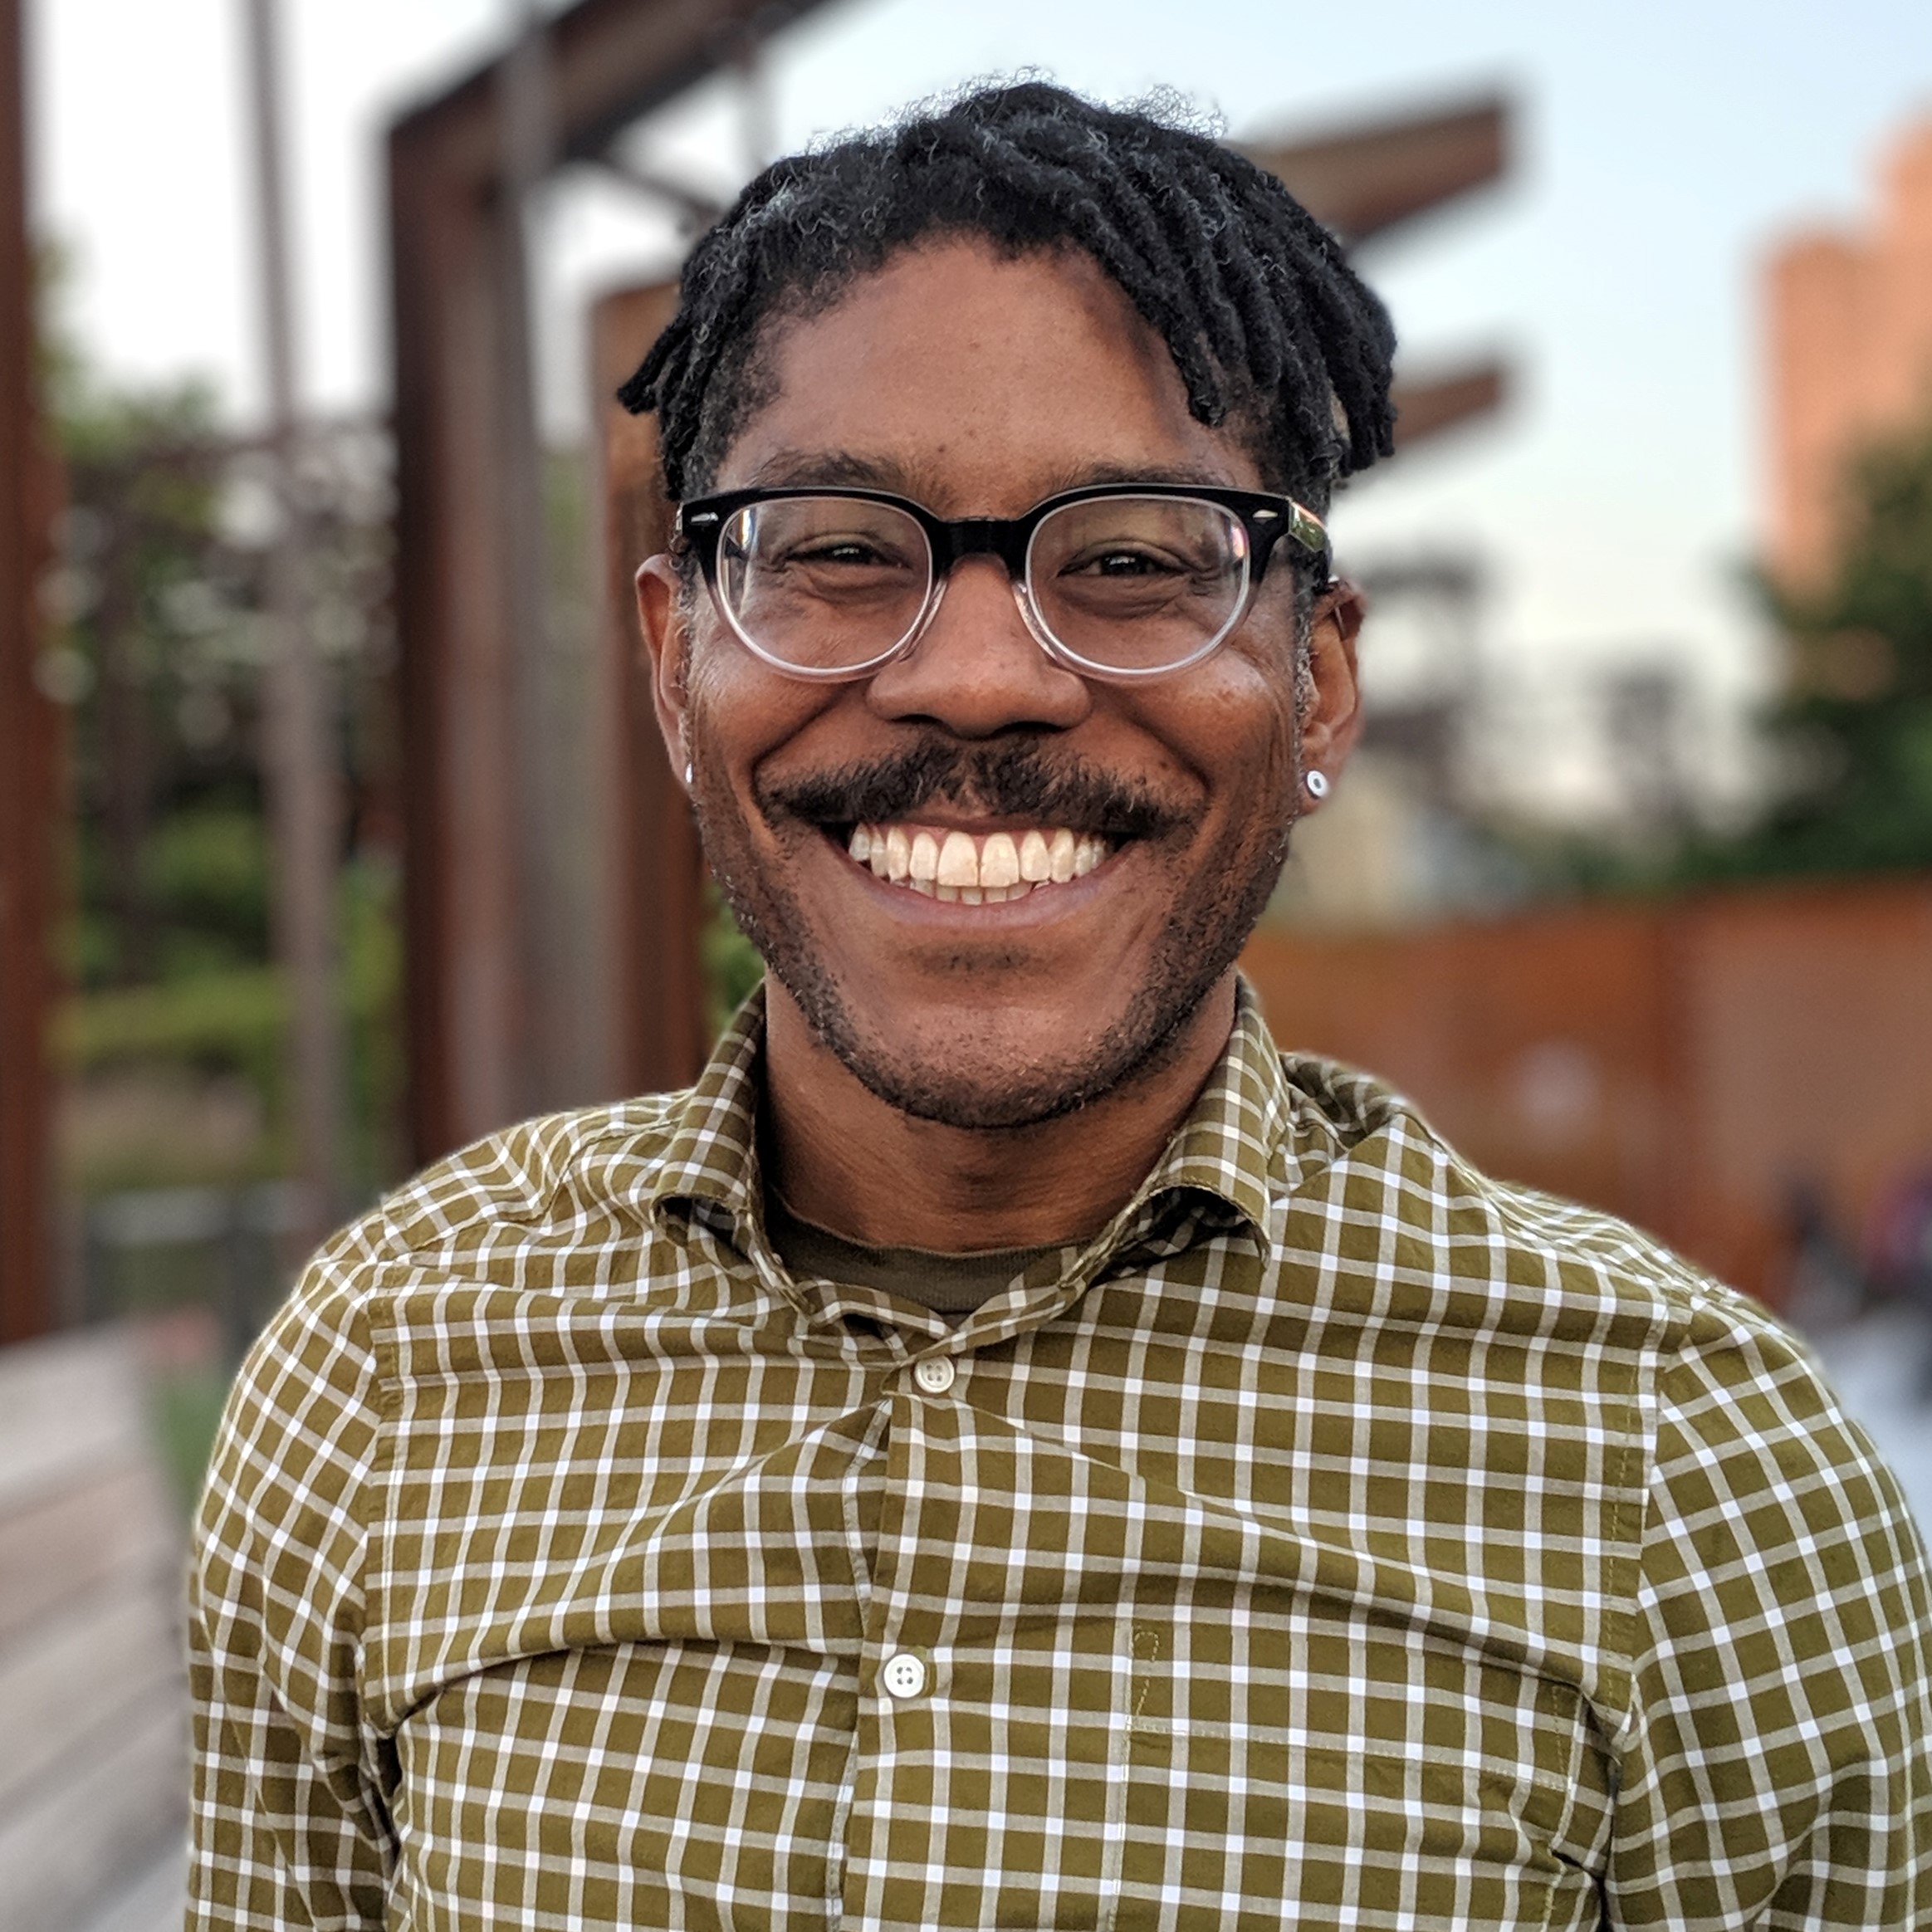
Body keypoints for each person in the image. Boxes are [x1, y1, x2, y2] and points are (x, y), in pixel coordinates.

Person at [188, 82, 1932, 1930]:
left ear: (1319, 688)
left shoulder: (1690, 1467)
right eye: (839, 551)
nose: (978, 680)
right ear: (672, 657)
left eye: (1128, 563)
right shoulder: (383, 1369)